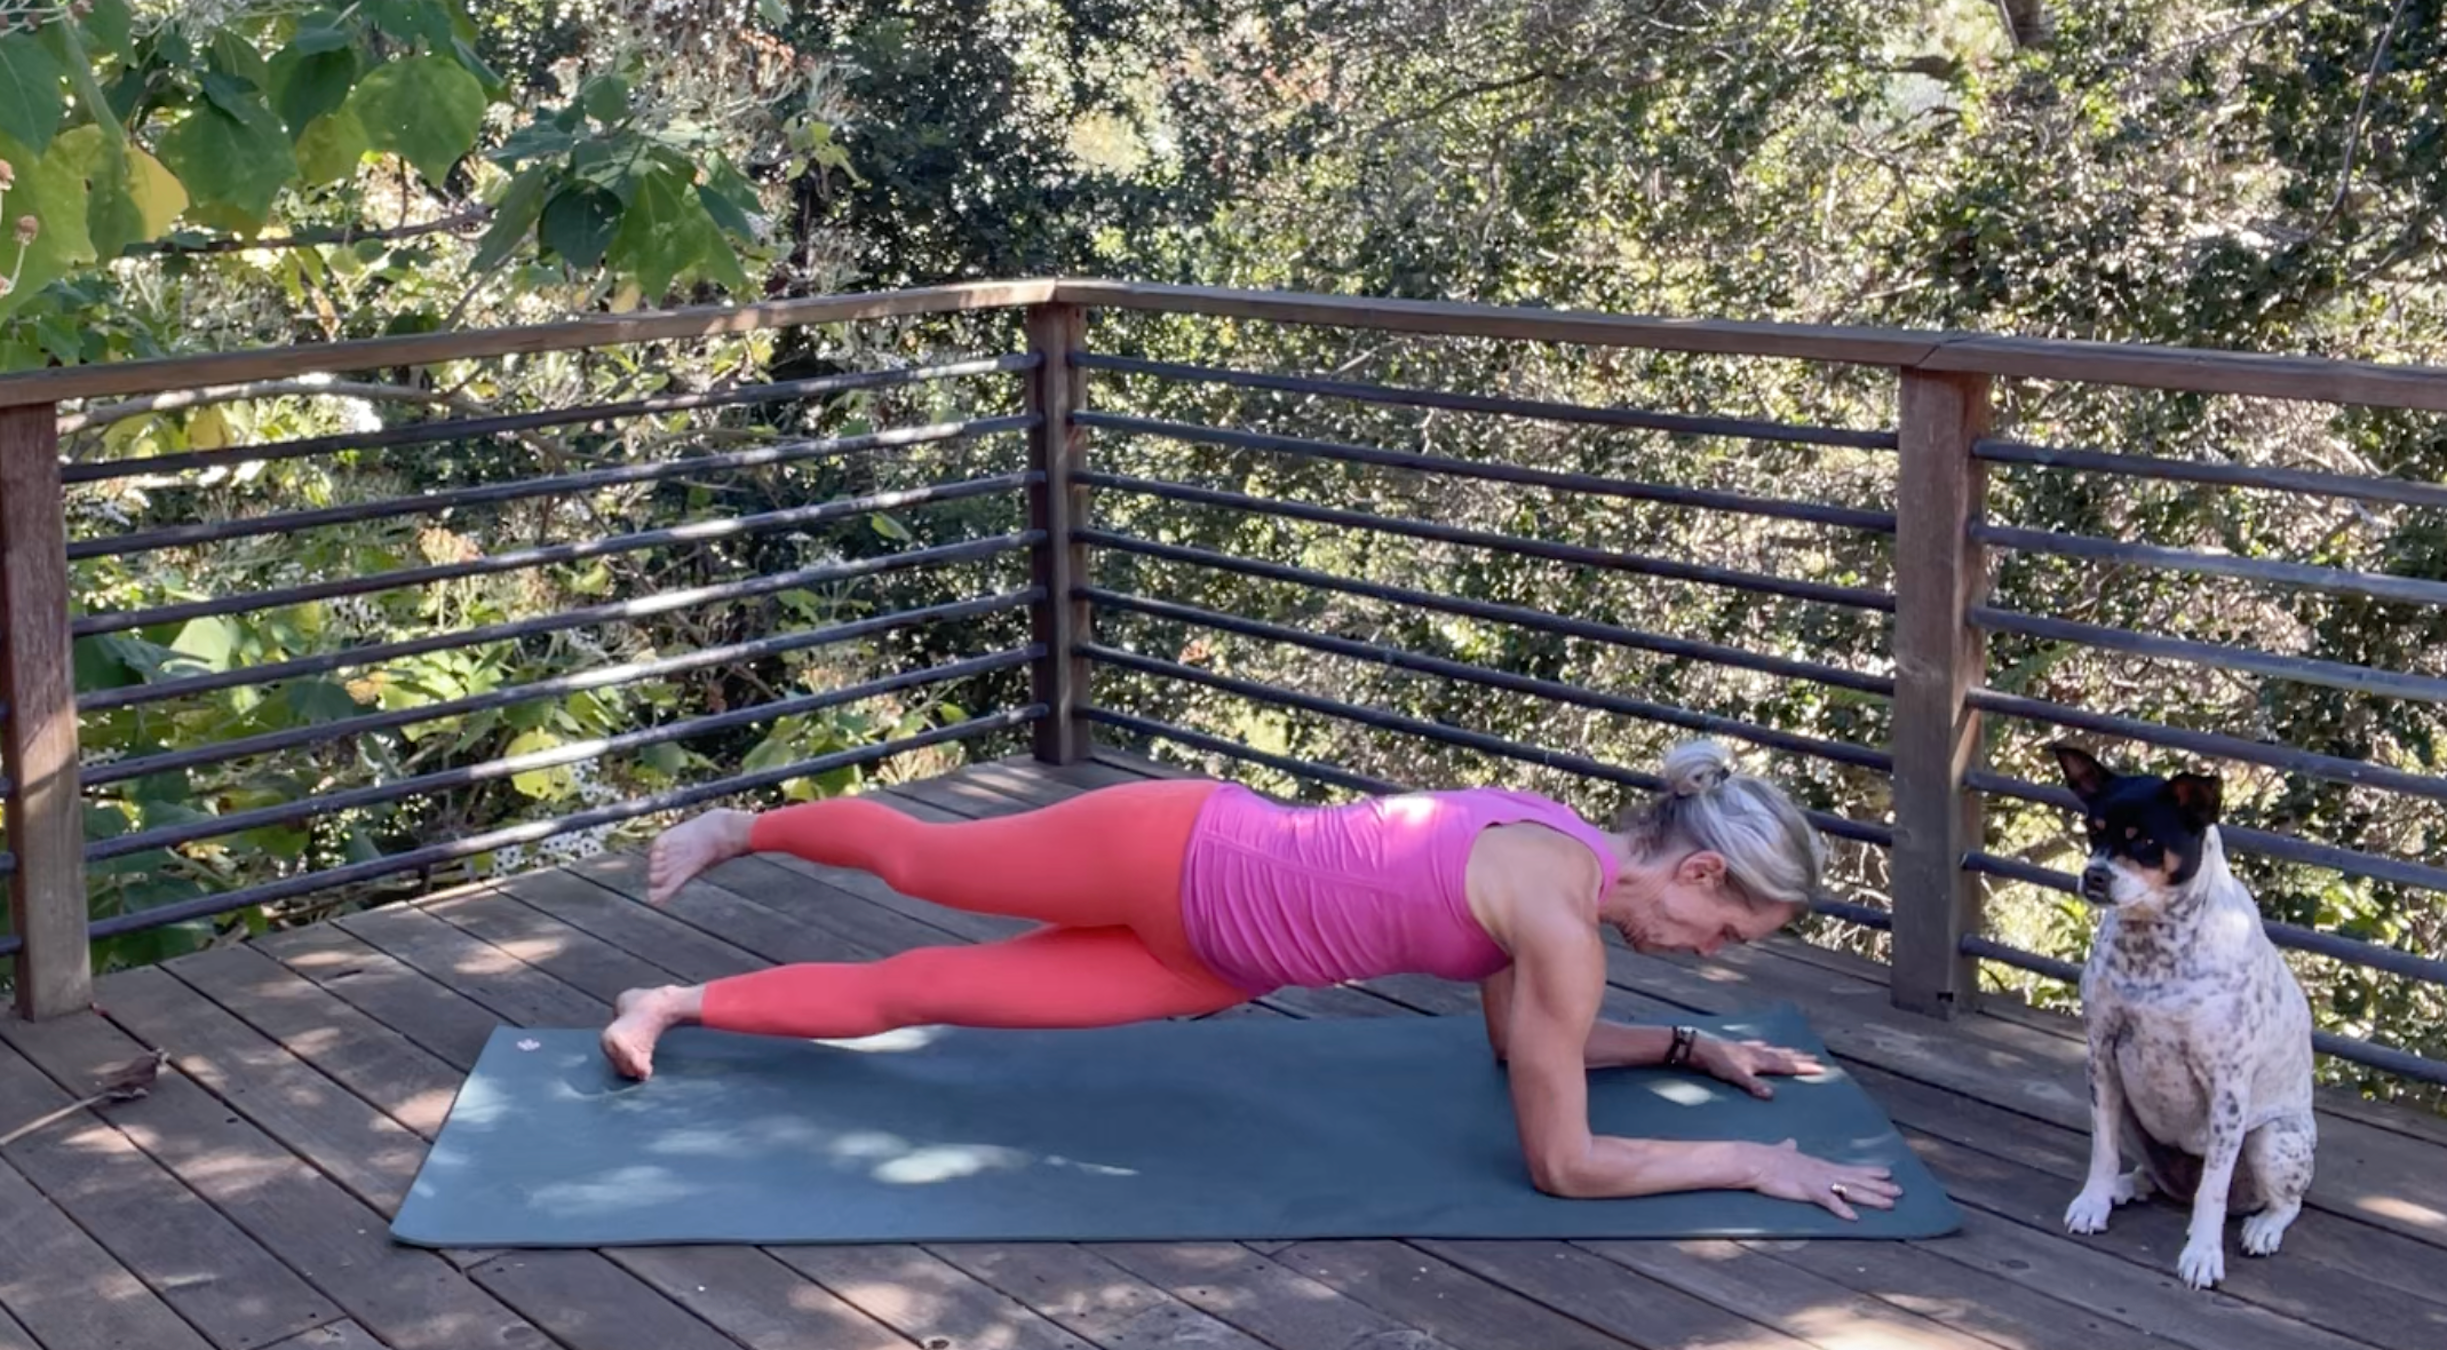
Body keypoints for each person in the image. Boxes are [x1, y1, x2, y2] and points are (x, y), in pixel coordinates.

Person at [600, 737, 1901, 1220]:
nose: (1711, 961)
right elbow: (1558, 1161)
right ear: (1695, 879)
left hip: (1200, 961)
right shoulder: (1561, 919)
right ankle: (739, 826)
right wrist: (1751, 1165)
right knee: (930, 859)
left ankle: (668, 1006)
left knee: (928, 989)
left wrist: (1683, 1051)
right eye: (1727, 939)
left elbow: (1523, 1051)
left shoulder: (1560, 874)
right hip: (1168, 846)